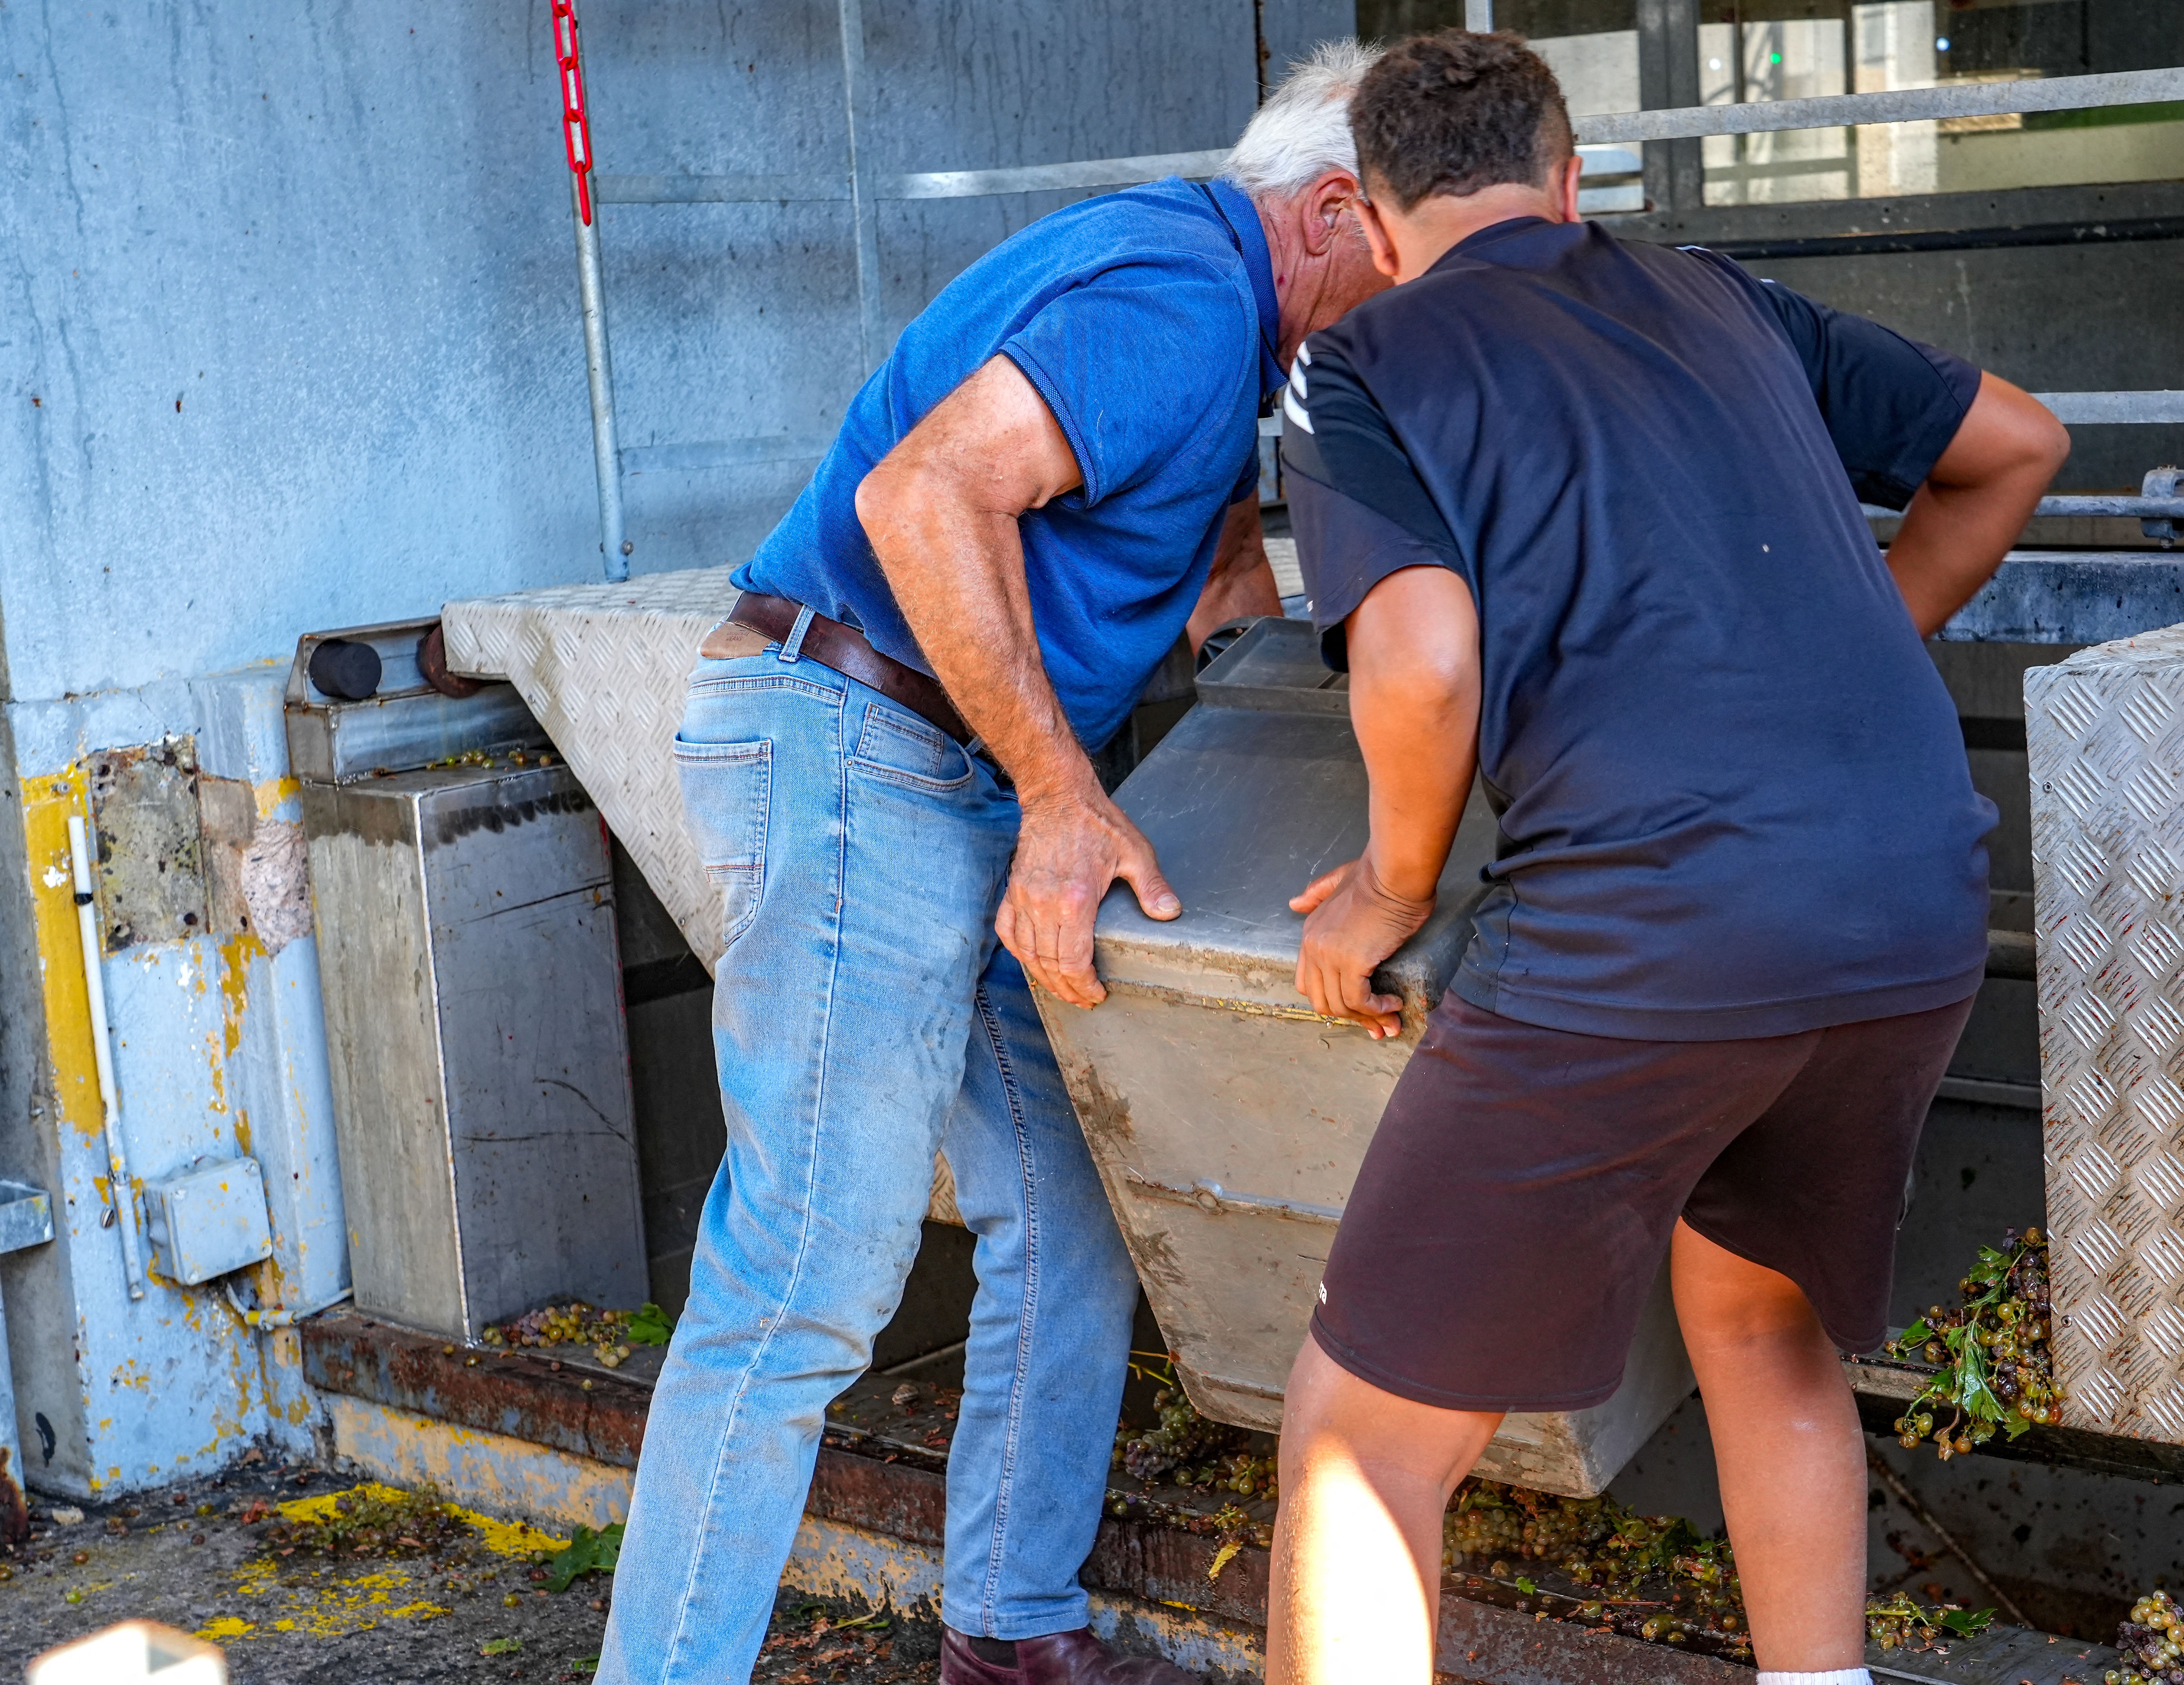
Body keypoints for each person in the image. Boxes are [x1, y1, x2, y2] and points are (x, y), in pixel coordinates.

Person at [1262, 30, 2067, 1685]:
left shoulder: (1367, 365)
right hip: (1912, 896)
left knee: (1365, 1440)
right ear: (1572, 182)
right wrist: (1847, 659)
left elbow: (1418, 665)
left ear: (1377, 220)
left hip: (1656, 919)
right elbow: (2017, 446)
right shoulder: (1724, 295)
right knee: (1759, 1321)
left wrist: (1390, 889)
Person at [597, 43, 1391, 1685]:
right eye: (1414, 260)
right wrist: (1057, 793)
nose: (1428, 310)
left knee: (1066, 1211)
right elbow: (922, 495)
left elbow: (1217, 576)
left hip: (931, 770)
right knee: (804, 1280)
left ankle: (1010, 1637)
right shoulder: (1178, 298)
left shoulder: (1217, 317)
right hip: (864, 754)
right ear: (1328, 211)